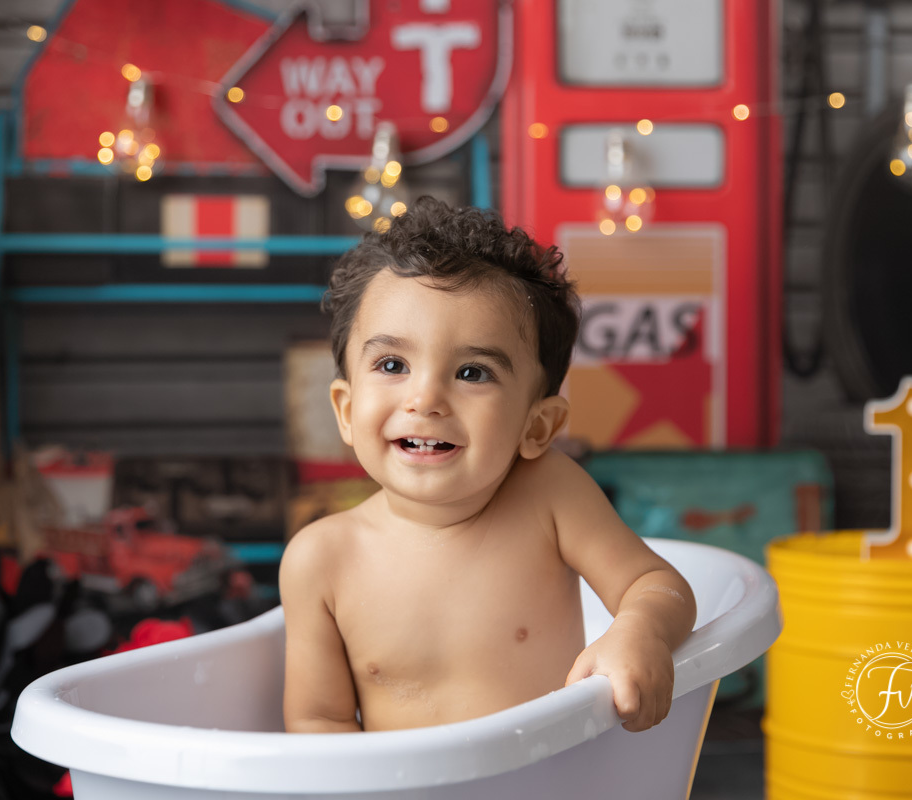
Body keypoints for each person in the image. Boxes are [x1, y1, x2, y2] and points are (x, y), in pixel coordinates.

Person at [280, 198, 697, 733]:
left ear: (537, 428)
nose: (425, 399)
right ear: (345, 409)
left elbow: (657, 584)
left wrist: (639, 629)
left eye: (472, 373)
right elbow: (318, 722)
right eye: (392, 364)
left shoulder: (549, 496)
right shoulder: (320, 559)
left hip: (549, 774)